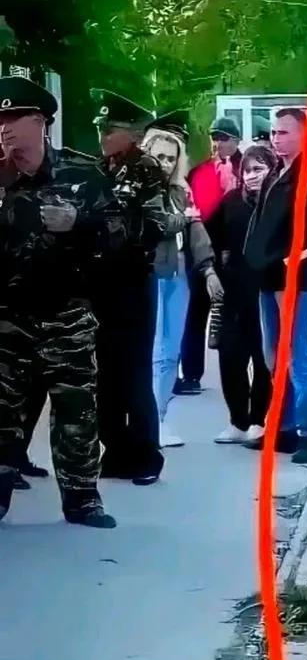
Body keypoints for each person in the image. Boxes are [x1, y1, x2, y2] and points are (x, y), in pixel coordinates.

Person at [0, 76, 116, 527]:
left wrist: (78, 223)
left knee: (75, 409)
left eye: (15, 117)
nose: (5, 128)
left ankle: (82, 499)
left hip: (66, 312)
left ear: (41, 122)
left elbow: (121, 235)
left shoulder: (81, 173)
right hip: (7, 314)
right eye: (0, 119)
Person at [243, 107, 307, 464]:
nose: (276, 139)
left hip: (293, 278)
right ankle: (285, 428)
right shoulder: (276, 173)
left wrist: (292, 258)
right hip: (268, 277)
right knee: (273, 357)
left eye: (284, 132)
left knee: (297, 355)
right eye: (274, 133)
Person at [89, 88, 169, 486]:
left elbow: (155, 224)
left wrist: (107, 229)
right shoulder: (99, 169)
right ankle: (116, 450)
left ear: (132, 133)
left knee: (134, 370)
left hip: (133, 279)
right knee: (104, 372)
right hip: (100, 281)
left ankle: (146, 454)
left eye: (110, 129)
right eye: (101, 128)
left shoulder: (145, 168)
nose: (102, 135)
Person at [142, 110, 223, 448]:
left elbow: (196, 230)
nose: (164, 163)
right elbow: (159, 224)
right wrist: (184, 219)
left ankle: (158, 418)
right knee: (152, 350)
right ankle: (145, 421)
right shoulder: (139, 187)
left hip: (177, 273)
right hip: (148, 274)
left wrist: (208, 268)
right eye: (159, 156)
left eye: (170, 158)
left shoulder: (181, 191)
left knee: (170, 351)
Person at [206, 144, 275, 444]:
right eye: (247, 170)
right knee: (230, 356)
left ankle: (258, 420)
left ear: (271, 170)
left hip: (267, 292)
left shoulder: (277, 202)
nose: (251, 176)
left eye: (258, 169)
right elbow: (210, 236)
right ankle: (237, 420)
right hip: (234, 292)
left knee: (263, 358)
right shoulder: (231, 201)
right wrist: (213, 271)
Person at [175, 116, 242, 396]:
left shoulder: (247, 168)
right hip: (202, 252)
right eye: (214, 137)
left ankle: (237, 374)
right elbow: (193, 214)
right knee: (195, 314)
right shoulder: (200, 172)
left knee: (234, 317)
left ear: (236, 141)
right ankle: (191, 374)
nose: (217, 143)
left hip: (236, 254)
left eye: (223, 138)